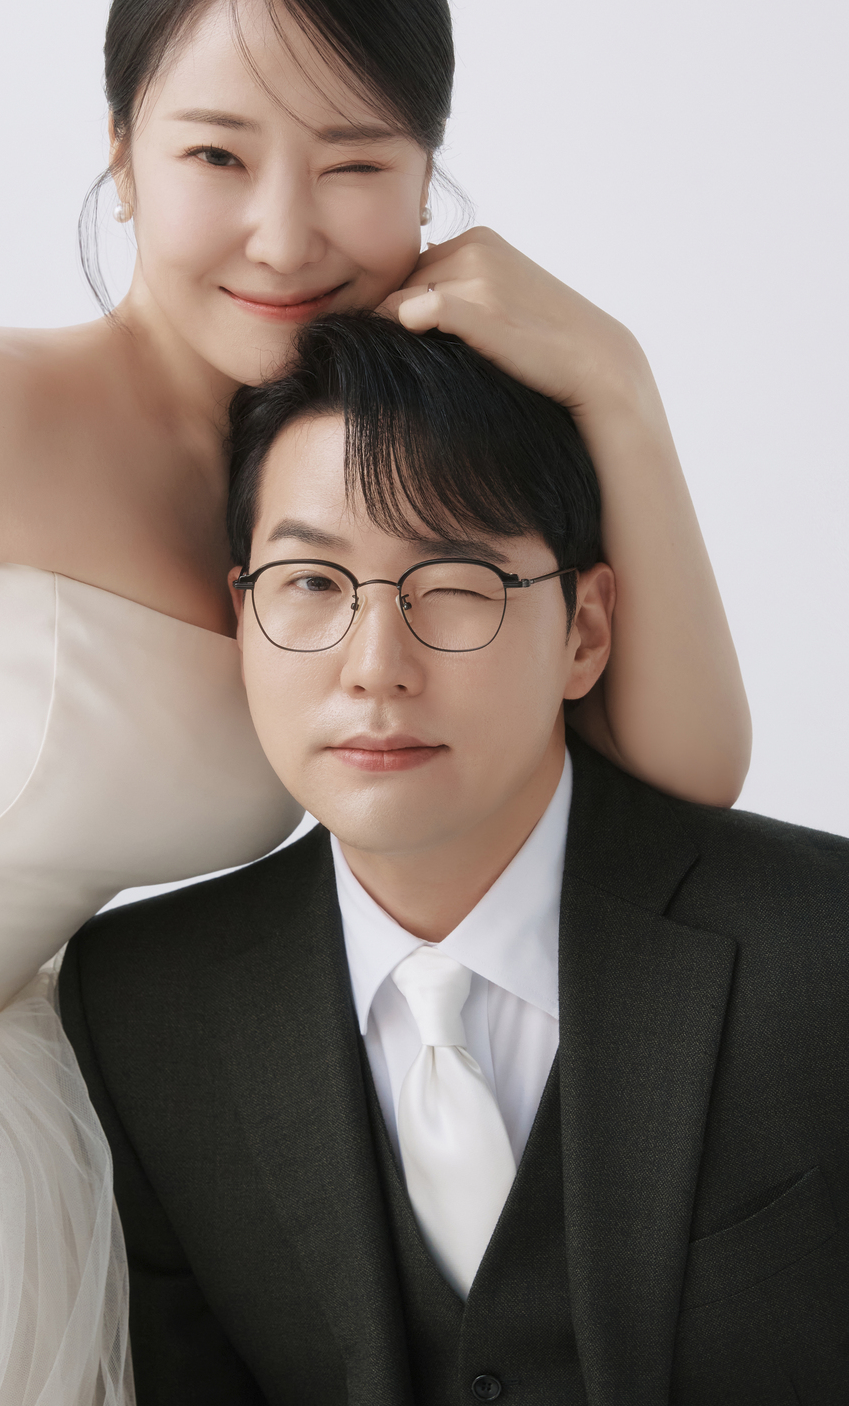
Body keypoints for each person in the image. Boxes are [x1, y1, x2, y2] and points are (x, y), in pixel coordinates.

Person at [0, 0, 749, 1400]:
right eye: (216, 157)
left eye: (355, 165)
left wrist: (617, 384)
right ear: (121, 158)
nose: (286, 237)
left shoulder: (364, 479)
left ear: (430, 179)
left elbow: (683, 771)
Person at [60, 311, 849, 1406]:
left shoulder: (822, 943)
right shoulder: (143, 1005)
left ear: (584, 632)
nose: (375, 667)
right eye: (312, 583)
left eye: (456, 582)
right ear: (243, 616)